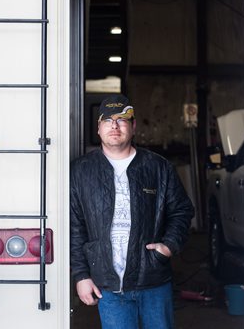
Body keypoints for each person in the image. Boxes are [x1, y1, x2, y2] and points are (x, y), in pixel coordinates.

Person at [70, 94, 194, 329]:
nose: (114, 126)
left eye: (122, 120)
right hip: (107, 284)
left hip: (153, 280)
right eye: (108, 120)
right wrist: (81, 275)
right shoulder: (81, 171)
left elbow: (182, 210)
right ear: (98, 128)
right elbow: (75, 226)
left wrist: (168, 246)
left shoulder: (158, 167)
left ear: (134, 126)